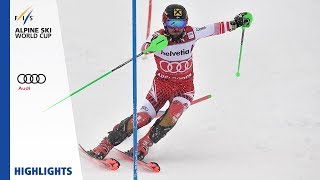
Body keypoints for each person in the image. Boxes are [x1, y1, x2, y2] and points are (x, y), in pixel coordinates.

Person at [88, 4, 252, 160]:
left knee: (172, 114)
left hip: (184, 89)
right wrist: (150, 47)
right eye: (171, 23)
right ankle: (104, 145)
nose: (176, 27)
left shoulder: (191, 34)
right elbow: (145, 46)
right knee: (143, 118)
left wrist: (236, 23)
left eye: (180, 23)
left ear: (185, 23)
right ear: (164, 22)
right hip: (160, 88)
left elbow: (214, 28)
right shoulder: (158, 36)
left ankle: (143, 146)